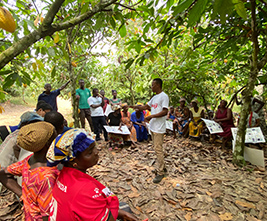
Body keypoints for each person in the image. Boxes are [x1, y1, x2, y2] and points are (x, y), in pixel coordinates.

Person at [47, 129, 138, 221]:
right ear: (74, 161)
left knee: (124, 209)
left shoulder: (64, 173)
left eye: (94, 147)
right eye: (90, 152)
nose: (96, 152)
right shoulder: (84, 190)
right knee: (125, 208)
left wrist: (122, 214)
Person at [0, 122, 58, 220]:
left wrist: (22, 195)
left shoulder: (29, 160)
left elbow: (3, 174)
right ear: (48, 143)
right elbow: (47, 214)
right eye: (55, 136)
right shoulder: (46, 177)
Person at [129, 78, 169, 183]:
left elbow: (165, 111)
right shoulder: (154, 97)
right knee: (157, 149)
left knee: (158, 149)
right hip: (153, 127)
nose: (151, 87)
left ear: (158, 85)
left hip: (159, 127)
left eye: (153, 85)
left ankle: (161, 172)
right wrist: (135, 107)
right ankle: (162, 167)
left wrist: (151, 116)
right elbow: (147, 106)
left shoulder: (164, 96)